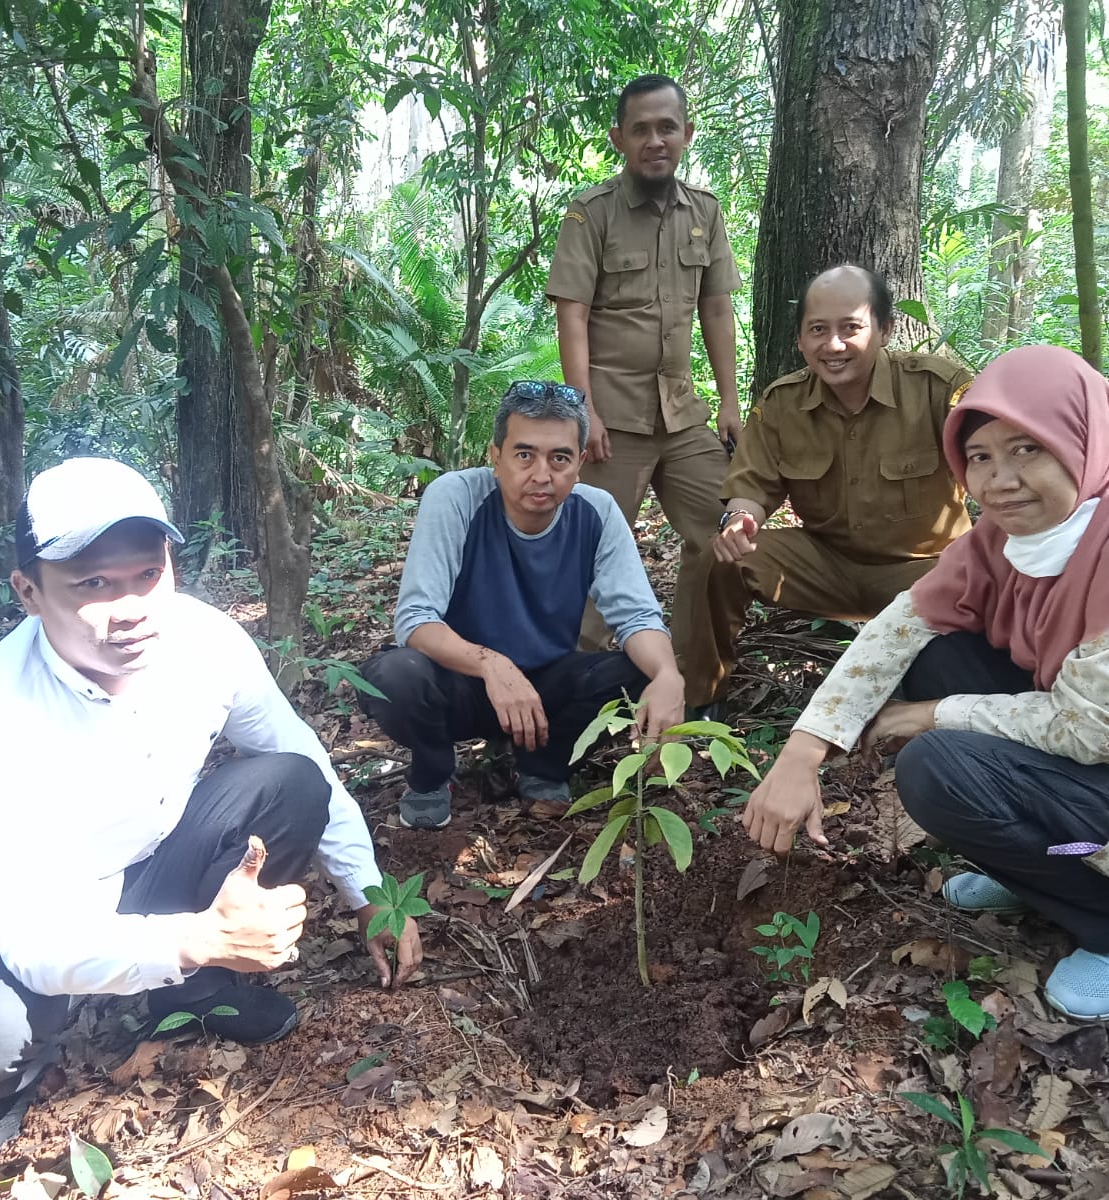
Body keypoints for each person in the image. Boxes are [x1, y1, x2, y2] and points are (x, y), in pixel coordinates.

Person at [741, 345, 1109, 1020]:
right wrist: (802, 753)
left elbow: (1093, 732)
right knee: (934, 650)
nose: (999, 480)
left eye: (1027, 449)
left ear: (1080, 438)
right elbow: (901, 627)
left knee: (940, 771)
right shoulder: (1012, 533)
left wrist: (933, 715)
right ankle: (1050, 870)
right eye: (979, 456)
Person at [0, 457, 423, 1173]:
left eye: (146, 576)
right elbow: (32, 938)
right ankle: (13, 1083)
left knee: (294, 782)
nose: (128, 607)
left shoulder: (205, 641)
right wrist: (199, 936)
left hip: (155, 856)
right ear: (29, 591)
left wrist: (370, 894)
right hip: (40, 900)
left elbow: (297, 749)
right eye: (90, 585)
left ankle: (193, 990)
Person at [359, 381, 686, 829]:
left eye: (560, 458)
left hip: (545, 687)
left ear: (579, 464)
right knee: (395, 676)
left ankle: (541, 766)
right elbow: (416, 620)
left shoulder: (597, 511)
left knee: (637, 670)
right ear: (496, 457)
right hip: (460, 680)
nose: (541, 474)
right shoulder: (456, 497)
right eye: (524, 454)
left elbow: (636, 616)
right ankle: (432, 773)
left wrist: (668, 676)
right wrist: (492, 664)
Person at [678, 264, 974, 711]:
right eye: (818, 329)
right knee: (719, 559)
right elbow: (751, 487)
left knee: (969, 614)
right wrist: (739, 521)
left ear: (886, 329)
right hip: (827, 565)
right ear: (800, 340)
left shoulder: (937, 388)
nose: (833, 345)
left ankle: (933, 712)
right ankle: (700, 698)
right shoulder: (783, 404)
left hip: (924, 570)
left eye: (850, 328)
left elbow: (997, 454)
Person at [545, 73, 742, 657]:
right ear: (619, 139)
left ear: (687, 134)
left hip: (682, 416)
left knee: (725, 536)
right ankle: (576, 690)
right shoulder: (591, 214)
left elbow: (717, 307)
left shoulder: (704, 212)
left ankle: (693, 678)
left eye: (667, 127)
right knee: (592, 555)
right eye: (641, 130)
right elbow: (572, 316)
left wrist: (729, 403)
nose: (655, 140)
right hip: (612, 419)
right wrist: (583, 411)